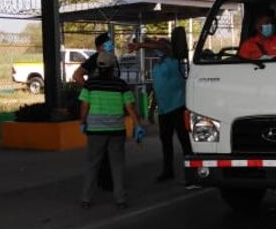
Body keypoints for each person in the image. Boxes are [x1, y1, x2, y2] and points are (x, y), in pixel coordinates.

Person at [78, 54, 143, 209]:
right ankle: (120, 199)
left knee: (92, 165)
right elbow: (130, 107)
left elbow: (84, 106)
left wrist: (82, 122)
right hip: (116, 131)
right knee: (117, 165)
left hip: (95, 131)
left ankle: (86, 199)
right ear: (113, 67)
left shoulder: (90, 84)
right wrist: (137, 125)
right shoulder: (120, 84)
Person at [147, 38, 191, 182]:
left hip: (178, 107)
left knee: (185, 142)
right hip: (164, 110)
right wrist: (152, 108)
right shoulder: (157, 65)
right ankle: (168, 170)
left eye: (160, 44)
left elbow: (166, 48)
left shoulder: (174, 60)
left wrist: (142, 44)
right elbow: (157, 88)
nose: (157, 47)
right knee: (166, 142)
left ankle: (191, 171)